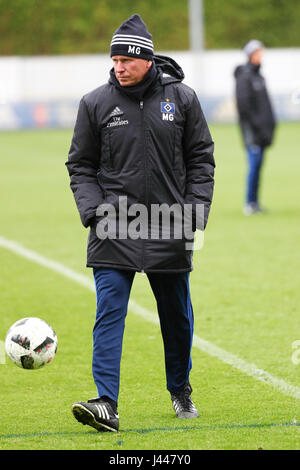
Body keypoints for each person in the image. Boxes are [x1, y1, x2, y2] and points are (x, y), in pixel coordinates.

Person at [66, 14, 215, 432]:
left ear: (146, 59)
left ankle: (181, 390)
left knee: (176, 315)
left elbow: (202, 158)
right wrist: (94, 211)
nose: (118, 67)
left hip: (171, 223)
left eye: (126, 60)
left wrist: (194, 212)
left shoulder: (182, 99)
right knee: (109, 311)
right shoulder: (95, 103)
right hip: (114, 227)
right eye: (114, 60)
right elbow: (80, 165)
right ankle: (105, 403)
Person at [234, 40, 276, 215]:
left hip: (263, 133)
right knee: (253, 167)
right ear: (251, 54)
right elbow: (244, 108)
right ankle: (249, 203)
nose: (261, 55)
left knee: (258, 168)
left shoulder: (259, 77)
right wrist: (257, 127)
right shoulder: (245, 77)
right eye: (258, 52)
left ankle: (255, 202)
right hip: (253, 133)